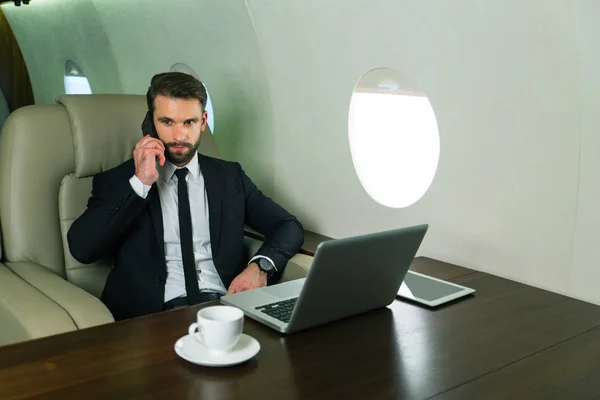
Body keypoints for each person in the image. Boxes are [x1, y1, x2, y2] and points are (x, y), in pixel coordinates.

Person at [68, 72, 304, 320]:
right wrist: (139, 183)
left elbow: (287, 226)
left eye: (189, 122)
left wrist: (260, 268)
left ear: (203, 121)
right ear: (150, 123)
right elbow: (82, 249)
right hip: (151, 319)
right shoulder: (119, 180)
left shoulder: (229, 176)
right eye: (167, 122)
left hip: (226, 309)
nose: (179, 136)